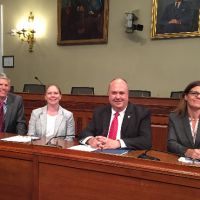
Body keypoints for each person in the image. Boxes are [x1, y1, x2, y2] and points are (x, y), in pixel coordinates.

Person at [79, 78, 152, 150]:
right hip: (100, 153)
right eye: (114, 93)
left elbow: (146, 141)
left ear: (127, 95)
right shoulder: (100, 112)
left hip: (126, 157)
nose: (117, 97)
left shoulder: (141, 113)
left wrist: (118, 143)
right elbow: (85, 132)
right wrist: (91, 140)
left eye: (121, 93)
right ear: (108, 95)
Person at [168, 81, 200, 159]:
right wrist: (187, 151)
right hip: (181, 163)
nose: (199, 96)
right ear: (185, 96)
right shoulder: (175, 117)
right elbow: (171, 143)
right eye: (194, 93)